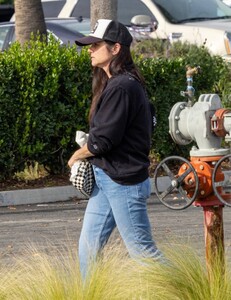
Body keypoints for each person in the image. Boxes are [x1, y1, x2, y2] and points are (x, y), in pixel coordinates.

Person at [68, 19, 162, 279]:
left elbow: (102, 141)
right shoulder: (120, 83)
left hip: (123, 183)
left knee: (143, 253)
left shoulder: (122, 86)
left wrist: (77, 155)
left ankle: (190, 292)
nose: (90, 49)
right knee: (88, 249)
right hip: (108, 179)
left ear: (116, 48)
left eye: (96, 45)